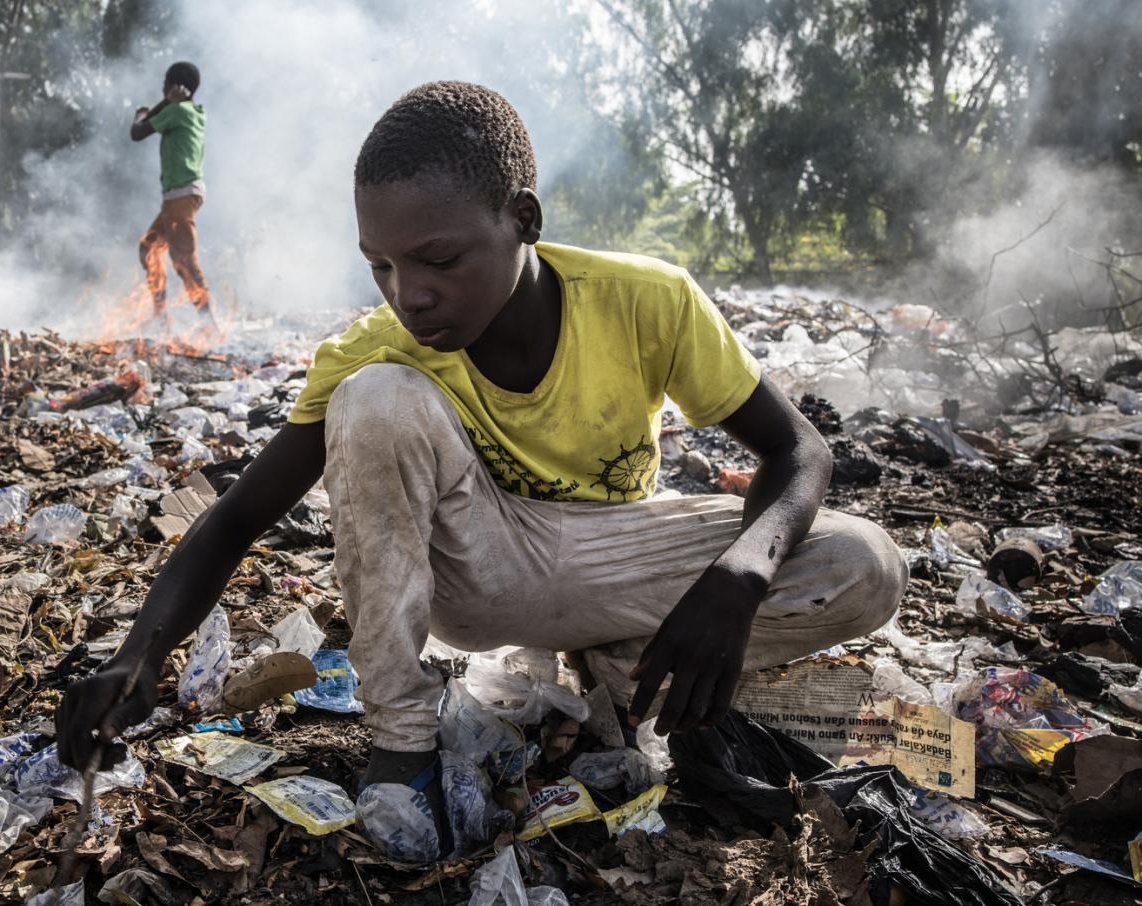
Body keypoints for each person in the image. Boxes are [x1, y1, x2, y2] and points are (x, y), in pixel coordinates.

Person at [58, 80, 905, 846]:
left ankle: (619, 669)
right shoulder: (378, 349)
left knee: (863, 562)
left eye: (439, 258)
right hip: (480, 569)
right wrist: (139, 654)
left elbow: (797, 451)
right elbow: (237, 518)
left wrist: (738, 578)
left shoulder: (648, 301)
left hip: (619, 557)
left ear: (522, 220)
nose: (408, 293)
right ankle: (402, 744)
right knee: (373, 398)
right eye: (381, 266)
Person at [131, 61, 211, 327]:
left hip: (181, 194)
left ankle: (208, 323)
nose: (162, 88)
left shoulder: (178, 111)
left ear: (174, 87)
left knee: (183, 258)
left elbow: (138, 132)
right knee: (149, 249)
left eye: (165, 83)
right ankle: (160, 317)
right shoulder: (193, 111)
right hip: (179, 195)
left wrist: (146, 111)